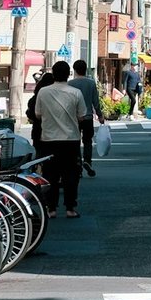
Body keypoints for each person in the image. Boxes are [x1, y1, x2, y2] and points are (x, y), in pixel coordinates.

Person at [36, 60, 89, 218]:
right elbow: (82, 116)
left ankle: (51, 209)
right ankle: (70, 208)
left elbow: (38, 114)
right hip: (70, 139)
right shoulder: (75, 93)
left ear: (53, 74)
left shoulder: (43, 92)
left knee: (50, 174)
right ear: (68, 74)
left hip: (49, 139)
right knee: (71, 175)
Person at [68, 60, 106, 176]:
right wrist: (100, 115)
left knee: (75, 142)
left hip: (74, 118)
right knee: (87, 141)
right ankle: (87, 161)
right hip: (88, 117)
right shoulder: (91, 83)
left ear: (75, 70)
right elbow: (95, 101)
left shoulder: (70, 84)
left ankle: (77, 164)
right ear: (85, 69)